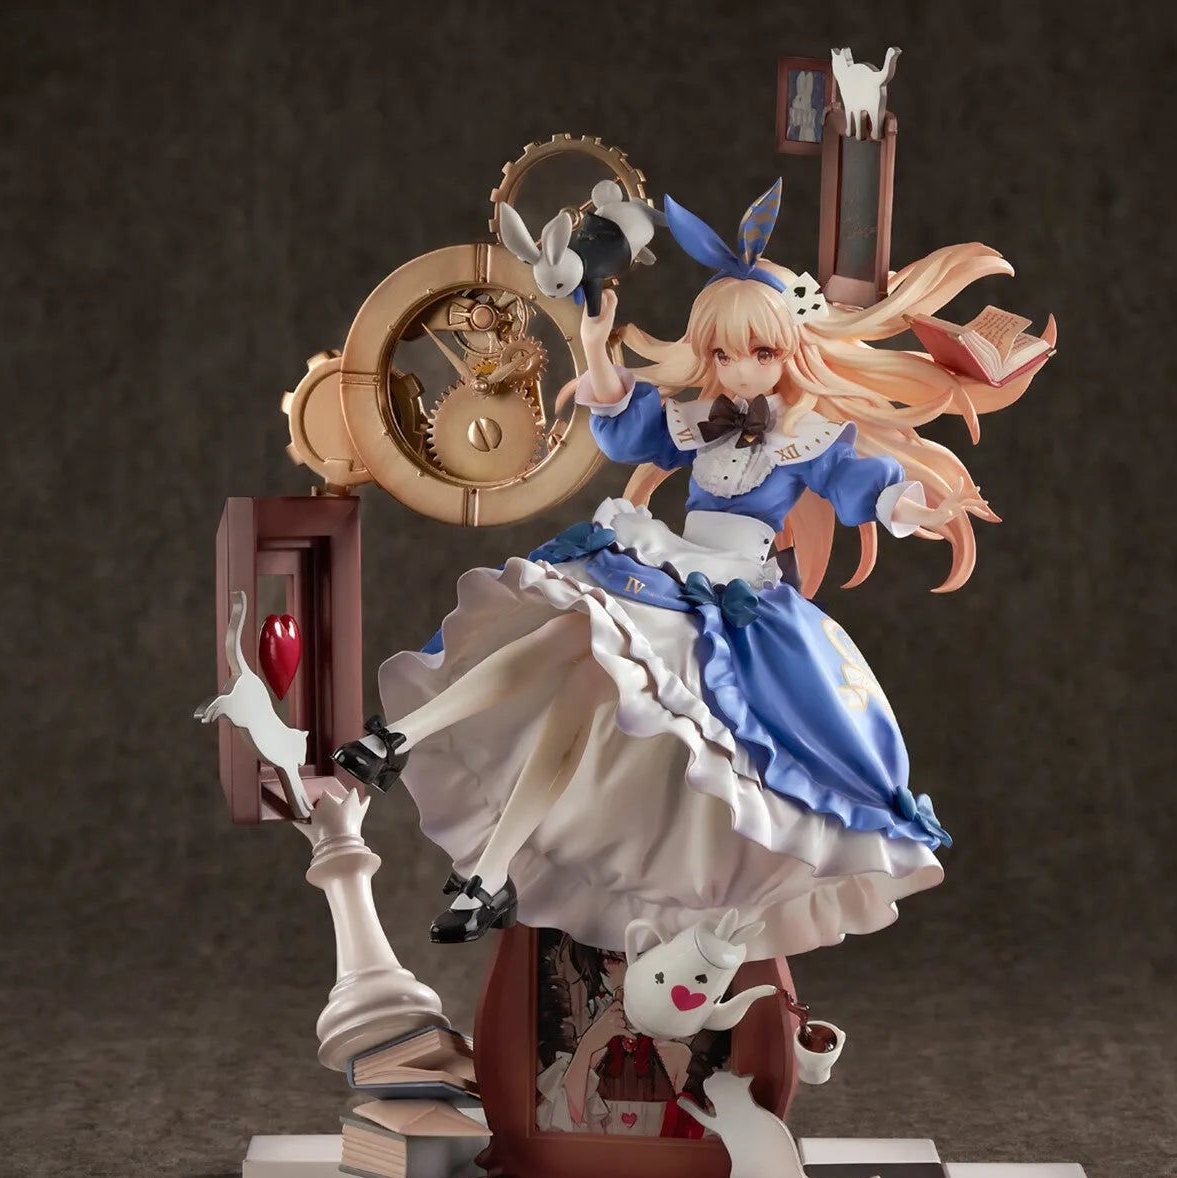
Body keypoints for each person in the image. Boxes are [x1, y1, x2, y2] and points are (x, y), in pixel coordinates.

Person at [335, 179, 1052, 956]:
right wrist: (596, 346)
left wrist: (912, 507)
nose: (739, 372)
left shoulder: (804, 435)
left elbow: (860, 487)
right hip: (663, 569)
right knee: (565, 660)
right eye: (722, 354)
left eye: (760, 353)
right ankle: (431, 780)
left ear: (790, 352)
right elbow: (624, 428)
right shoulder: (698, 420)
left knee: (575, 663)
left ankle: (439, 794)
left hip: (725, 596)